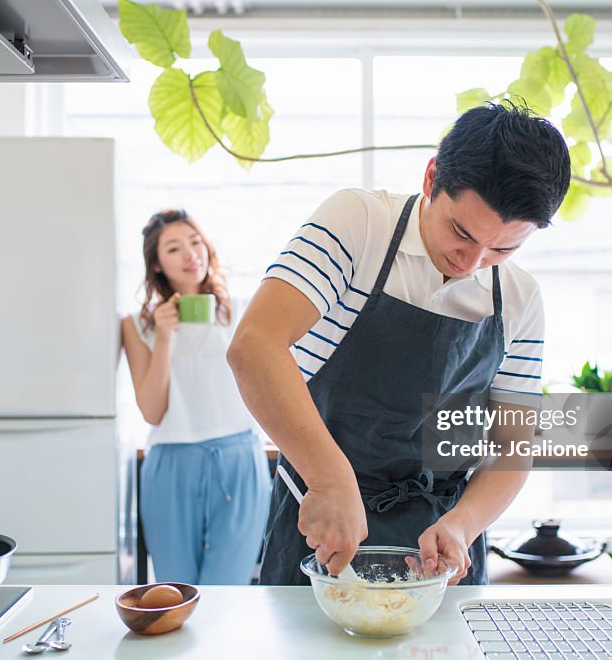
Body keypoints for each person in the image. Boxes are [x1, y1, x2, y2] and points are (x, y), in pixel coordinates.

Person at [227, 102, 571, 586]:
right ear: (432, 177)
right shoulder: (360, 224)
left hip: (439, 549)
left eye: (502, 249)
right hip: (323, 523)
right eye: (461, 232)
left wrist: (464, 523)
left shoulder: (519, 298)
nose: (472, 262)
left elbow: (511, 449)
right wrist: (329, 479)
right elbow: (255, 346)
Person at [121, 209, 270, 585]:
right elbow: (152, 412)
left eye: (195, 242)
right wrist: (165, 336)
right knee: (177, 594)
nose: (191, 255)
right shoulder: (138, 325)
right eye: (174, 248)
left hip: (239, 459)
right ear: (156, 265)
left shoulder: (241, 308)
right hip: (172, 463)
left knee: (228, 592)